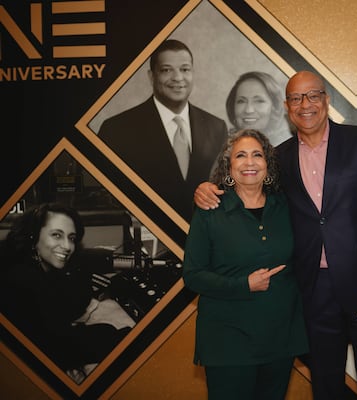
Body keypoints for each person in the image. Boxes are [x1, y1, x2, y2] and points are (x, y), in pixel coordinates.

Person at [194, 71, 357, 400]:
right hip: (311, 293)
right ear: (286, 106)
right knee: (324, 386)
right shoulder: (279, 158)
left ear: (326, 100)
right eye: (295, 98)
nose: (304, 105)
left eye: (312, 96)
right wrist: (207, 189)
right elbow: (248, 188)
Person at [183, 129, 308, 400]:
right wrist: (243, 285)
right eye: (240, 155)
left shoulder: (286, 206)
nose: (249, 162)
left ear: (268, 164)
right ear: (229, 166)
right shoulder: (210, 211)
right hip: (229, 341)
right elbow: (192, 276)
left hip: (279, 339)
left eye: (257, 155)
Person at [0, 203, 132, 383]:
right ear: (33, 236)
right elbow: (56, 349)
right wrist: (118, 336)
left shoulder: (41, 268)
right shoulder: (20, 278)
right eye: (56, 235)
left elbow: (72, 306)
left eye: (71, 238)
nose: (67, 246)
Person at [98, 39, 228, 221]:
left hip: (206, 238)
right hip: (147, 240)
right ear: (152, 76)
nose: (177, 78)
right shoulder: (117, 129)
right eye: (167, 70)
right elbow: (107, 198)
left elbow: (225, 190)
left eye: (185, 69)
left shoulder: (217, 127)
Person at [225, 71, 293, 146]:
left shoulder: (287, 147)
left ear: (275, 106)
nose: (249, 110)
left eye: (259, 101)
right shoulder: (223, 145)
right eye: (241, 101)